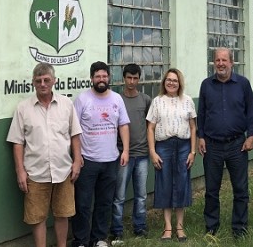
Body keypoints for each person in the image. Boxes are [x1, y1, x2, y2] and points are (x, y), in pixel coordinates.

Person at [7, 63, 83, 247]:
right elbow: (17, 142)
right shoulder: (23, 108)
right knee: (37, 217)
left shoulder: (66, 104)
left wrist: (77, 161)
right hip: (35, 172)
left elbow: (75, 134)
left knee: (63, 213)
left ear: (54, 81)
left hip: (63, 171)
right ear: (33, 82)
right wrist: (20, 171)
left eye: (46, 80)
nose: (42, 84)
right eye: (38, 80)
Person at [197, 47, 253, 238]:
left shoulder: (243, 84)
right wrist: (201, 137)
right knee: (211, 189)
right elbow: (202, 113)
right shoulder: (206, 85)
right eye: (217, 60)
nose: (221, 64)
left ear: (231, 62)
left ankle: (239, 227)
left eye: (224, 60)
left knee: (240, 189)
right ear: (214, 62)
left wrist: (251, 136)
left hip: (237, 145)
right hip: (212, 145)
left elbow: (251, 111)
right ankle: (211, 226)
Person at [71, 61, 131, 247]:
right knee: (82, 203)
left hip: (111, 160)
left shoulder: (117, 99)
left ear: (109, 77)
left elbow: (123, 125)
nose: (101, 79)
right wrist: (77, 156)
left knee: (104, 202)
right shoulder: (82, 99)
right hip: (87, 160)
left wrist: (125, 150)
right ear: (91, 78)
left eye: (104, 76)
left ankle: (98, 238)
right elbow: (74, 130)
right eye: (98, 76)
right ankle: (81, 240)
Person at [147, 68, 197, 242]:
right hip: (164, 146)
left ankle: (180, 227)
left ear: (179, 83)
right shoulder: (157, 101)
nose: (171, 83)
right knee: (165, 183)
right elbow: (150, 128)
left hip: (183, 146)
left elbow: (193, 127)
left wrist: (192, 151)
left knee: (182, 183)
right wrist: (153, 152)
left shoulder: (187, 101)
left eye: (175, 80)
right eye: (168, 80)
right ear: (164, 82)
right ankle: (168, 227)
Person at [110, 64, 153, 243]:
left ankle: (140, 227)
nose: (132, 81)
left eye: (135, 78)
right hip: (123, 155)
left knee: (141, 195)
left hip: (142, 154)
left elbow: (150, 125)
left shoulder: (145, 100)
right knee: (119, 196)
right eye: (129, 77)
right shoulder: (116, 99)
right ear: (123, 78)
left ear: (139, 79)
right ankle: (117, 230)